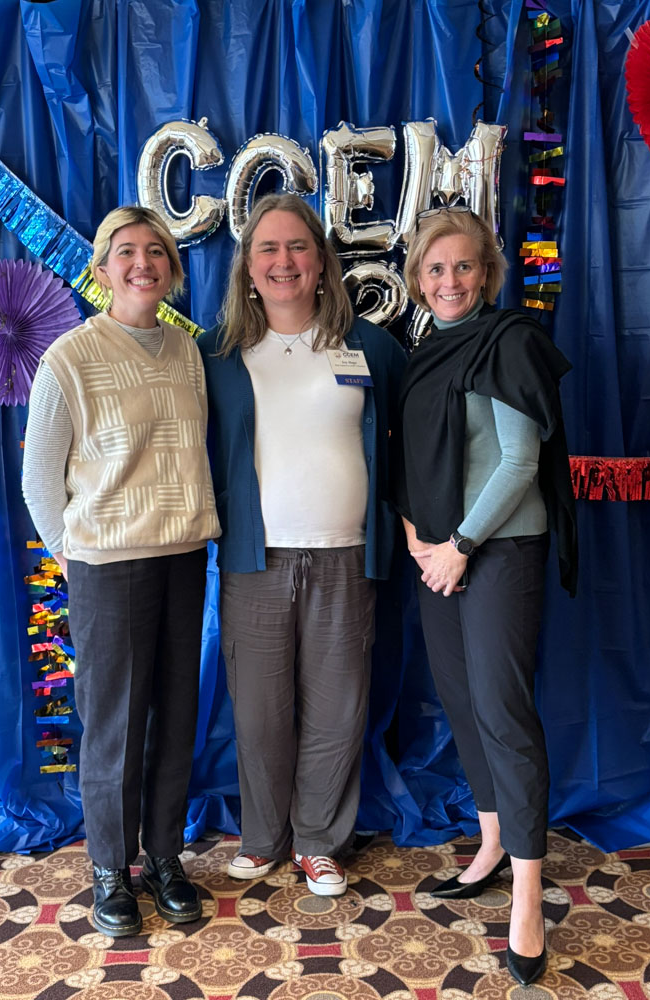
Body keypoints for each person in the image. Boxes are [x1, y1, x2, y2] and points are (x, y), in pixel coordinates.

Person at [198, 193, 406, 897]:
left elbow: (407, 448)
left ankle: (319, 842)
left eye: (296, 247)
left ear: (321, 260)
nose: (282, 261)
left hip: (347, 555)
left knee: (338, 708)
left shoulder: (371, 346)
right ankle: (263, 837)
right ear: (248, 267)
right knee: (258, 714)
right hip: (255, 561)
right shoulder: (216, 354)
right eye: (268, 249)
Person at [22, 206, 220, 937]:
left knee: (174, 719)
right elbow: (40, 479)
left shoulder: (188, 352)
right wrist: (72, 555)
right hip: (108, 566)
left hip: (182, 556)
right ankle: (110, 866)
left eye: (156, 251)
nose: (143, 263)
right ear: (101, 270)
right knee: (112, 724)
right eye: (125, 252)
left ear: (170, 267)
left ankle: (163, 858)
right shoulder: (70, 357)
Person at [395, 205, 577, 986]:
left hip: (496, 549)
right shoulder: (425, 351)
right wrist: (418, 541)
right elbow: (406, 455)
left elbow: (518, 463)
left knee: (504, 712)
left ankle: (530, 897)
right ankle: (494, 843)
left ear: (489, 272)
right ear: (417, 279)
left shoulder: (511, 343)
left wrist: (459, 547)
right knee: (462, 702)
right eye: (435, 269)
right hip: (436, 554)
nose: (449, 281)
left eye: (463, 266)